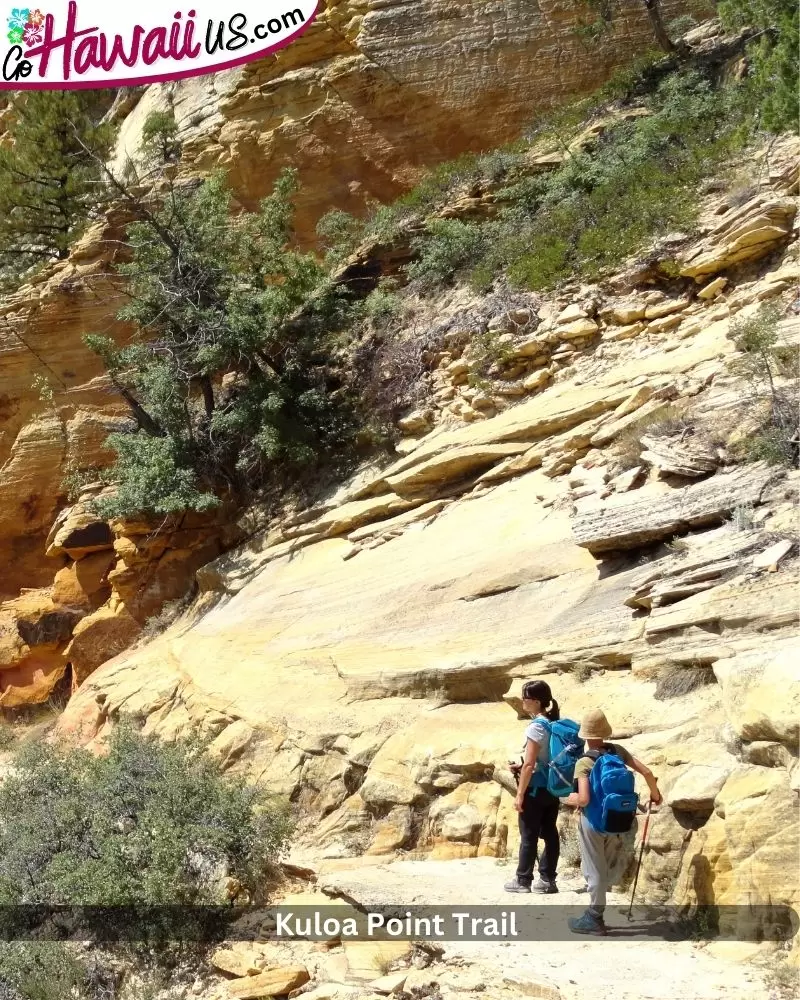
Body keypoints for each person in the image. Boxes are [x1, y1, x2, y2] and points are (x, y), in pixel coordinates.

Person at [563, 708, 662, 935]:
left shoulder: (584, 762)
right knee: (603, 867)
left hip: (593, 822)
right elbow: (647, 773)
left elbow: (584, 799)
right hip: (619, 818)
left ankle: (594, 918)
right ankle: (597, 909)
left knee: (593, 868)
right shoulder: (618, 751)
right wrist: (655, 795)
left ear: (585, 736)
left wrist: (565, 797)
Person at [504, 679, 561, 894]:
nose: (522, 701)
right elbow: (542, 759)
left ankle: (523, 880)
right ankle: (548, 880)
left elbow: (529, 765)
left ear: (536, 702)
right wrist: (523, 765)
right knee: (550, 833)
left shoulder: (537, 726)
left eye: (525, 698)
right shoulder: (553, 723)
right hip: (552, 787)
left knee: (528, 835)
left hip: (535, 788)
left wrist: (520, 795)